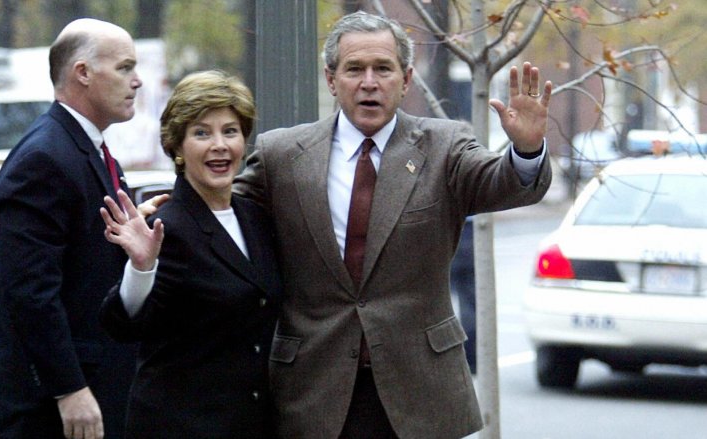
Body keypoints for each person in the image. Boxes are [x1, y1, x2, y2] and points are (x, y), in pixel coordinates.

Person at [234, 10, 553, 439]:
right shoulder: (281, 154)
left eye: (382, 69)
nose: (369, 82)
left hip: (420, 394)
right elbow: (223, 212)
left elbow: (505, 183)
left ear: (404, 80)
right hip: (312, 391)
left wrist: (528, 151)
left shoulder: (445, 146)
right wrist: (167, 212)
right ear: (332, 80)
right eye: (355, 69)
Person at [0, 18, 143, 439]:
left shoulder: (88, 150)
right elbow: (30, 290)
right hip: (43, 413)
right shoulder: (44, 158)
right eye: (124, 67)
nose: (137, 81)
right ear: (82, 73)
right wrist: (69, 388)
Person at [98, 70, 283, 438]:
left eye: (230, 131)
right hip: (181, 426)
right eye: (202, 133)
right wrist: (141, 267)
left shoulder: (256, 218)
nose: (219, 145)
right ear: (177, 147)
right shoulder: (169, 227)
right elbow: (122, 324)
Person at [450, 216, 477, 374]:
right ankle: (471, 357)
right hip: (468, 229)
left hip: (454, 225)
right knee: (469, 302)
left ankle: (470, 357)